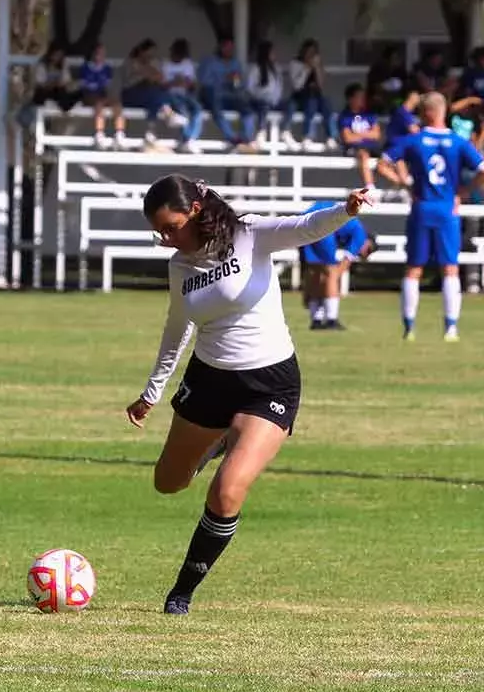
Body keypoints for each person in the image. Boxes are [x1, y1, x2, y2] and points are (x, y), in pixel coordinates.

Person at [125, 177, 372, 615]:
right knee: (168, 482)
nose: (165, 239)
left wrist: (345, 210)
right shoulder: (180, 265)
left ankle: (181, 593)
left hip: (269, 383)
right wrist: (152, 391)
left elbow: (305, 226)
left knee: (226, 492)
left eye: (171, 227)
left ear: (196, 212)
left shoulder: (248, 233)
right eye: (158, 231)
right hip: (209, 380)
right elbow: (177, 327)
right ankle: (222, 437)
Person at [378, 92, 484, 342]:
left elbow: (382, 163)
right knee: (450, 268)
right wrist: (463, 191)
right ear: (442, 112)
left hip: (423, 207)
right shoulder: (459, 142)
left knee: (414, 269)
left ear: (427, 113)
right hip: (447, 209)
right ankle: (451, 328)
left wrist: (405, 184)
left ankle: (409, 328)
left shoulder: (414, 140)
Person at [299, 200, 370, 331]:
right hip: (322, 223)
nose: (363, 254)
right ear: (368, 242)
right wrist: (332, 282)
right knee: (330, 273)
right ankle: (332, 319)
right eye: (368, 251)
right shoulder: (360, 235)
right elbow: (342, 266)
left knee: (315, 273)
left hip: (307, 219)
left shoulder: (352, 226)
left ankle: (316, 320)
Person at [120, 39, 176, 147]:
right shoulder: (131, 62)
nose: (151, 56)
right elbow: (128, 82)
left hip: (149, 97)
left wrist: (149, 74)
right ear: (142, 51)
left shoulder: (154, 63)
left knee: (156, 96)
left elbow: (160, 79)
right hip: (130, 95)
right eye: (149, 53)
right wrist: (146, 75)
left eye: (153, 54)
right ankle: (166, 113)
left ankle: (151, 132)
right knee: (155, 96)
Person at [199, 36, 252, 148]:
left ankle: (246, 139)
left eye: (231, 48)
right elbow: (204, 81)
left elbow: (241, 84)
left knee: (247, 111)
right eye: (226, 48)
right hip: (214, 95)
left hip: (231, 95)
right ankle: (233, 138)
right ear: (220, 48)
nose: (229, 51)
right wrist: (224, 78)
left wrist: (236, 81)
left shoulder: (235, 63)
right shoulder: (210, 61)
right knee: (216, 108)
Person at [284, 39, 336, 150]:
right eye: (309, 52)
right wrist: (307, 68)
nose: (311, 55)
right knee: (311, 103)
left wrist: (317, 68)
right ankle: (307, 136)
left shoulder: (317, 65)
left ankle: (331, 136)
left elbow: (321, 85)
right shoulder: (295, 63)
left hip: (315, 96)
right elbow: (297, 85)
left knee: (327, 103)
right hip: (300, 96)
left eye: (313, 52)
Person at [77, 42, 127, 150]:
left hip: (103, 94)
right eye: (98, 53)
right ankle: (99, 133)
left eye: (103, 53)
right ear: (93, 54)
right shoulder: (85, 68)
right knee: (99, 104)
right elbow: (85, 85)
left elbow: (107, 85)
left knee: (116, 104)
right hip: (89, 96)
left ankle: (119, 133)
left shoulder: (107, 69)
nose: (101, 56)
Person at [162, 39, 206, 151]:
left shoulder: (187, 64)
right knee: (183, 111)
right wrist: (177, 82)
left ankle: (191, 139)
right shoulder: (166, 65)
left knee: (198, 109)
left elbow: (192, 84)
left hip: (185, 94)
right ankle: (186, 140)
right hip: (170, 95)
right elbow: (163, 85)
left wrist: (182, 82)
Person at [338, 83, 382, 189]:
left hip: (372, 147)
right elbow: (347, 138)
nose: (362, 99)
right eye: (359, 97)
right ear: (351, 99)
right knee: (363, 154)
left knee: (392, 156)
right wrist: (367, 134)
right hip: (354, 149)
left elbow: (376, 135)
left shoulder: (369, 114)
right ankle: (369, 187)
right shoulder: (345, 116)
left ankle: (404, 184)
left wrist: (357, 134)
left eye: (363, 97)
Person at [246, 41, 285, 147]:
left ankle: (286, 131)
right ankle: (261, 132)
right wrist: (261, 94)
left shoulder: (276, 68)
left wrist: (276, 98)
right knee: (263, 107)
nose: (274, 55)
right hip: (260, 100)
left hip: (274, 101)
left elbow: (279, 87)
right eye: (272, 52)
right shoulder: (256, 68)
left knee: (290, 105)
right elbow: (249, 87)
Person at [365, 45, 408, 114]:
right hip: (378, 100)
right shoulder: (379, 67)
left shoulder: (399, 71)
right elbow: (375, 86)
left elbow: (403, 85)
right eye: (395, 57)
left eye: (398, 57)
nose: (397, 60)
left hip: (394, 101)